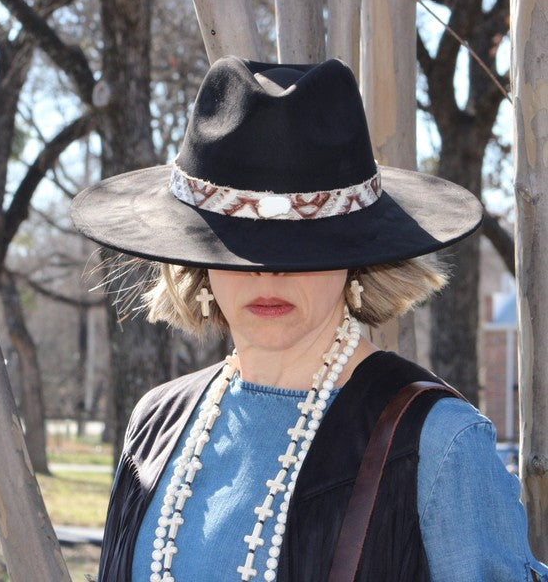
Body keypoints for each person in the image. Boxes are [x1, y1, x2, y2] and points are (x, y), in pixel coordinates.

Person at [71, 57, 548, 582]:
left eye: (303, 248)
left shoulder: (438, 443)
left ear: (355, 256)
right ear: (198, 260)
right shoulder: (155, 424)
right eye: (236, 247)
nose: (267, 273)